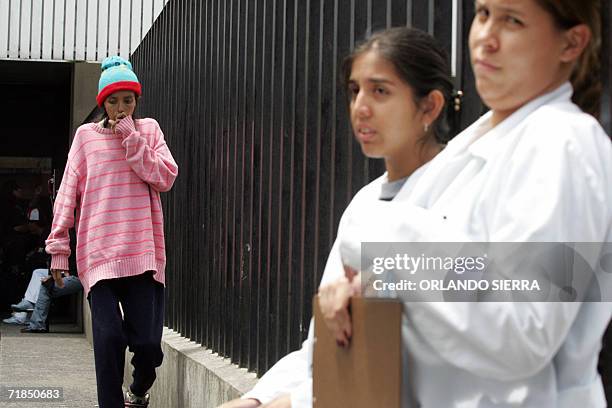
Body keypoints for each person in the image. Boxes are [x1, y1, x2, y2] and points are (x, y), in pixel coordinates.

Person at [321, 0, 611, 407]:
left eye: (512, 20)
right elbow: (469, 278)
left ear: (571, 43)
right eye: (483, 13)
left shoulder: (563, 142)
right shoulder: (482, 143)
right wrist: (363, 288)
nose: (486, 38)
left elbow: (524, 329)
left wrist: (381, 235)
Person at [220, 26, 454, 408]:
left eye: (380, 91)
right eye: (354, 90)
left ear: (429, 106)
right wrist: (259, 398)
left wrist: (380, 279)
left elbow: (548, 281)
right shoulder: (364, 204)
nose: (360, 106)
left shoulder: (466, 188)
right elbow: (324, 346)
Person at [46, 55, 178, 408]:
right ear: (102, 102)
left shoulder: (148, 130)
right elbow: (67, 193)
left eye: (128, 100)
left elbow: (166, 177)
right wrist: (59, 247)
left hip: (142, 255)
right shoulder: (86, 138)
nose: (121, 108)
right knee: (107, 340)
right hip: (99, 254)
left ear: (137, 101)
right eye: (113, 100)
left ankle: (137, 391)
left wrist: (132, 140)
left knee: (148, 345)